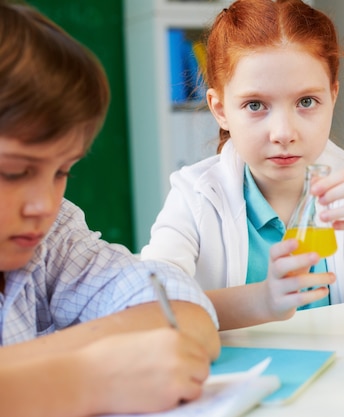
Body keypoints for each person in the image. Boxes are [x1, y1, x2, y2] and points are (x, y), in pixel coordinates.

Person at [0, 2, 221, 416]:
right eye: (13, 172)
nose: (44, 204)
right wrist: (79, 378)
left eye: (62, 171)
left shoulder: (51, 237)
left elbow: (185, 313)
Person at [141, 0, 344, 330]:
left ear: (333, 97)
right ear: (221, 108)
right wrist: (262, 300)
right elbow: (151, 306)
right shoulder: (195, 196)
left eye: (306, 102)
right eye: (256, 105)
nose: (283, 133)